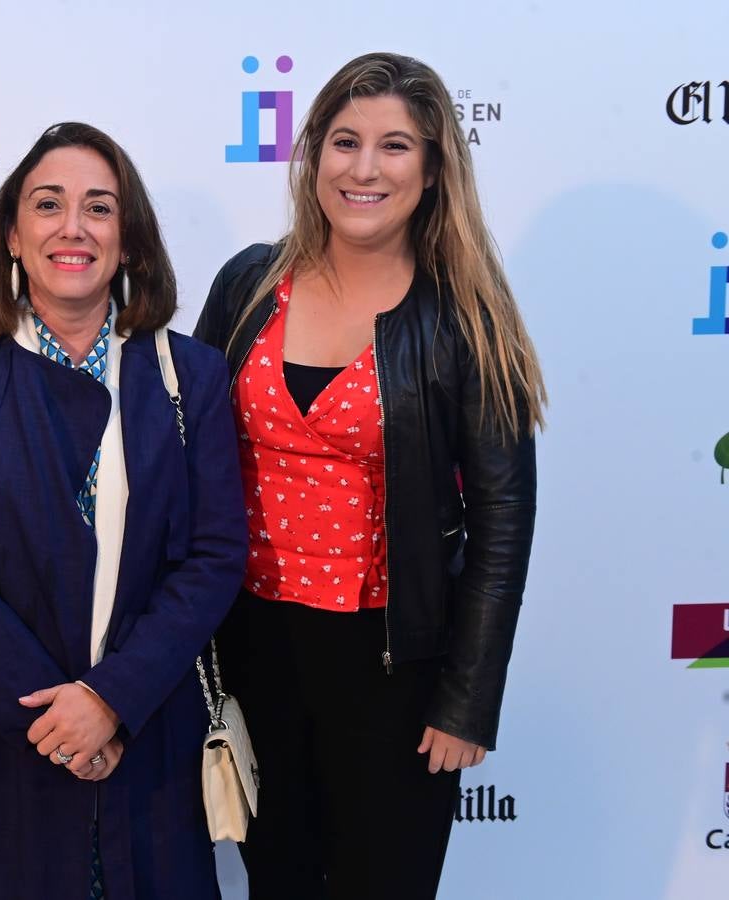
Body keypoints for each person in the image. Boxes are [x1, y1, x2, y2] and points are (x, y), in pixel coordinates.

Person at [194, 52, 544, 899]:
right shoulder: (248, 283)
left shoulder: (465, 318)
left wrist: (467, 699)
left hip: (396, 662)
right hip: (253, 646)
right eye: (343, 141)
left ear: (432, 170)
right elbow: (187, 456)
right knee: (275, 877)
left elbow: (503, 519)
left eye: (394, 146)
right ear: (313, 157)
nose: (363, 168)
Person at [0, 122, 248, 900]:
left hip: (142, 734)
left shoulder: (192, 376)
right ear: (14, 237)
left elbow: (215, 556)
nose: (72, 228)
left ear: (131, 241)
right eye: (48, 205)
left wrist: (111, 699)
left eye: (99, 208)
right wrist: (56, 718)